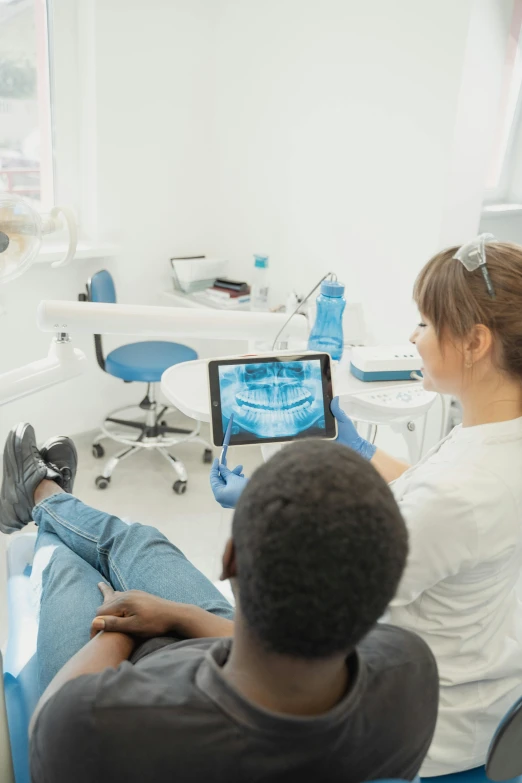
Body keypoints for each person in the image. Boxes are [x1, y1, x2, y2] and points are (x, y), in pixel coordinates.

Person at [211, 236, 522, 777]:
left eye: (424, 323)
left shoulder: (460, 492)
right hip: (484, 679)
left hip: (422, 724)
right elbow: (426, 503)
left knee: (182, 596)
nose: (412, 336)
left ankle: (48, 501)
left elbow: (320, 603)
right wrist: (358, 449)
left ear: (474, 342)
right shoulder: (496, 438)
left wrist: (258, 513)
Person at [0, 424, 437, 783]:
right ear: (382, 591)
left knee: (68, 566)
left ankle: (43, 498)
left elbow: (48, 727)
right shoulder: (409, 669)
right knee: (138, 539)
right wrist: (176, 614)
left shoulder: (90, 724)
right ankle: (47, 496)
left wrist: (116, 630)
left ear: (228, 559)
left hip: (115, 660)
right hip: (205, 634)